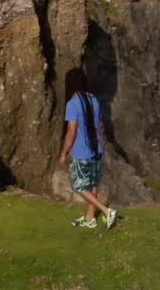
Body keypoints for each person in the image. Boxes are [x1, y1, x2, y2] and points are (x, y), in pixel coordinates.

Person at [58, 68, 118, 229]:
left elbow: (71, 131)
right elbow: (101, 126)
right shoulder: (94, 99)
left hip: (81, 152)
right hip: (96, 150)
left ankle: (106, 211)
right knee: (92, 184)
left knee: (79, 186)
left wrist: (64, 153)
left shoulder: (72, 104)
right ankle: (90, 218)